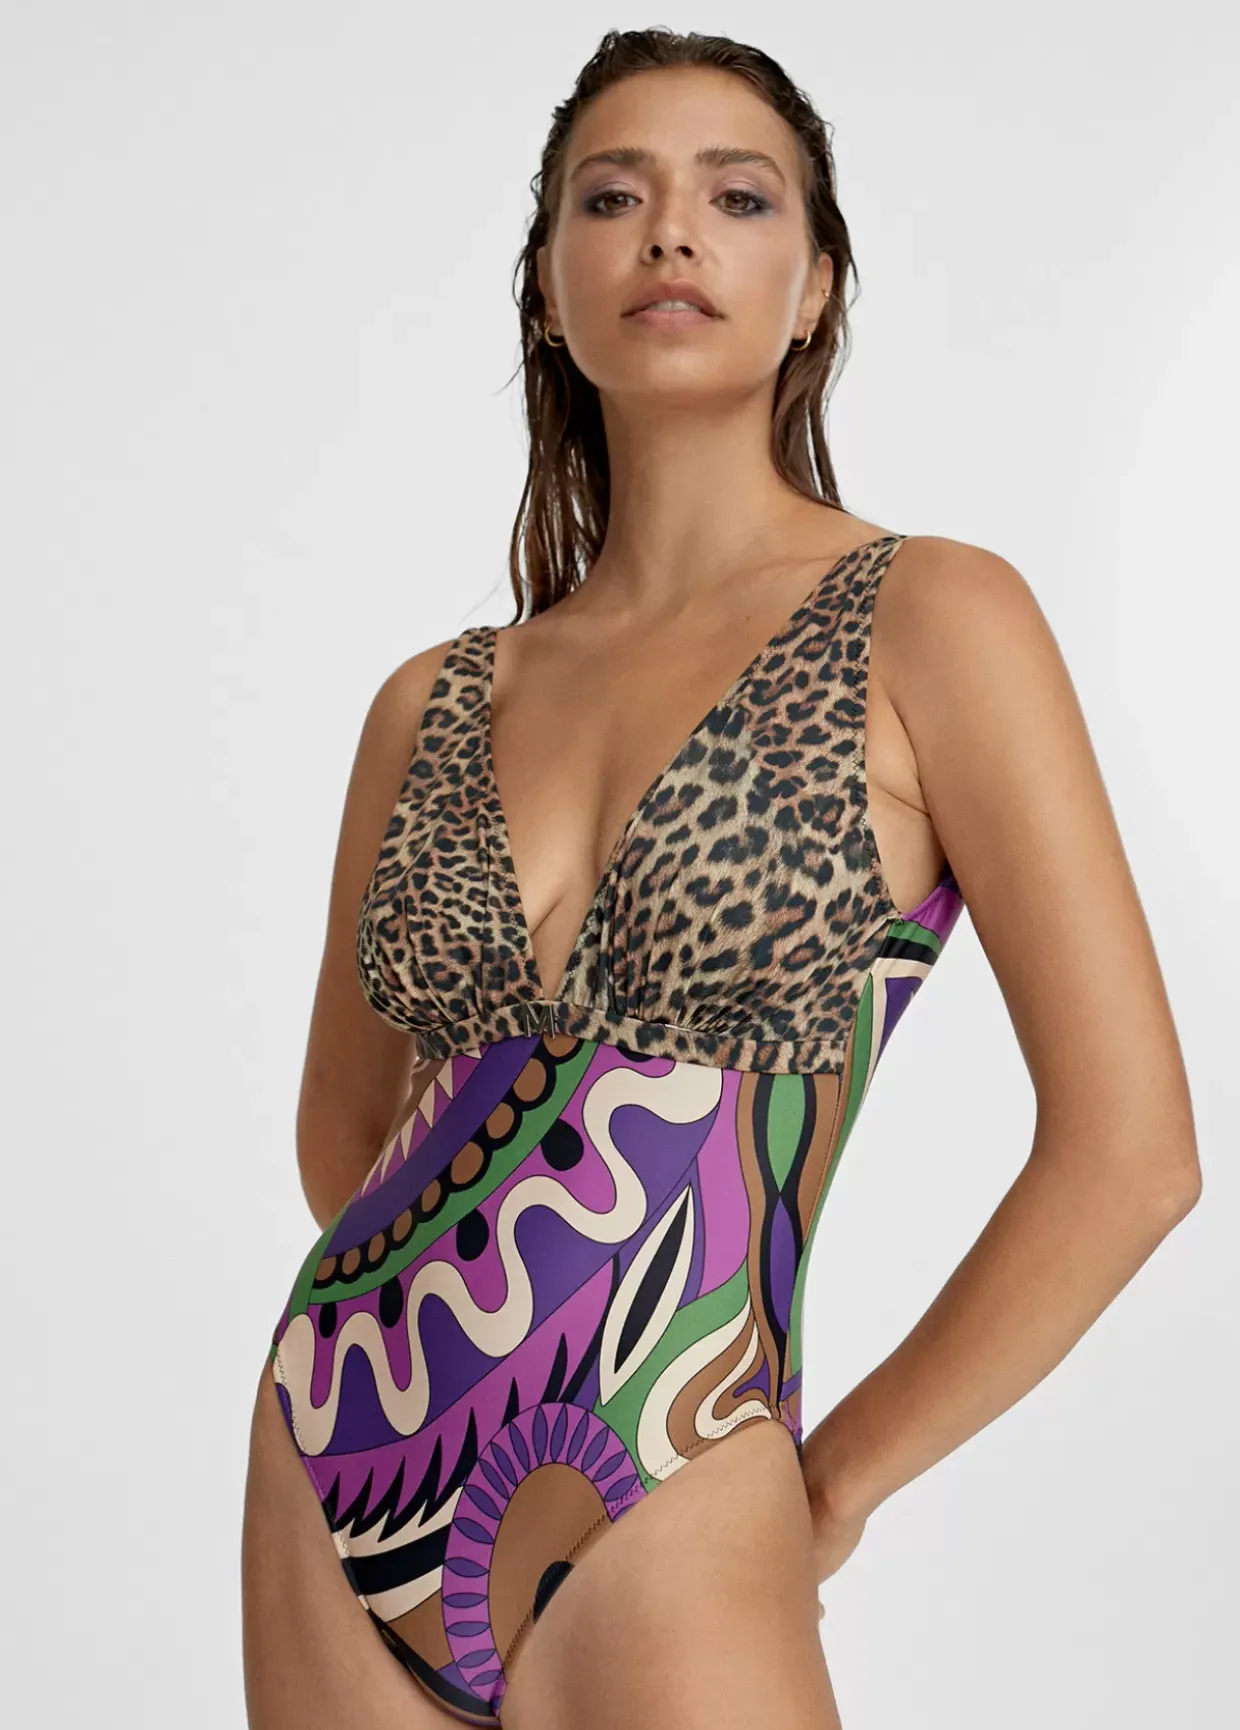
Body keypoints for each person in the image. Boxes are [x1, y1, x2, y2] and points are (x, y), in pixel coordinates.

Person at [240, 27, 1200, 1730]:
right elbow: (348, 1138)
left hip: (677, 1457)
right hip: (339, 1451)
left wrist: (832, 1482)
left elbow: (1132, 1153)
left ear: (815, 287)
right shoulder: (429, 701)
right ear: (550, 288)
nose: (671, 231)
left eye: (737, 197)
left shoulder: (933, 619)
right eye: (612, 197)